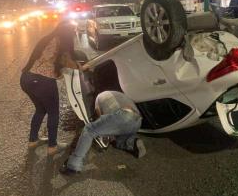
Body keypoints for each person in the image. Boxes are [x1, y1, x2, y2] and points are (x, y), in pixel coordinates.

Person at [20, 21, 78, 156]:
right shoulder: (60, 43)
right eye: (73, 32)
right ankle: (52, 146)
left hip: (26, 78)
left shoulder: (47, 38)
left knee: (40, 109)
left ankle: (33, 140)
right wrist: (83, 67)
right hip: (43, 81)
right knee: (53, 112)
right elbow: (69, 63)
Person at [60, 91, 146, 175]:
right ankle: (132, 143)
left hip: (123, 116)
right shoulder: (115, 94)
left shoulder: (98, 98)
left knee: (89, 130)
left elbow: (100, 118)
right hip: (137, 122)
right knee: (118, 141)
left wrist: (98, 132)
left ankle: (73, 165)